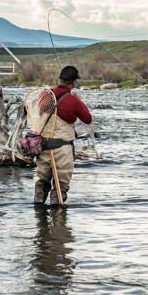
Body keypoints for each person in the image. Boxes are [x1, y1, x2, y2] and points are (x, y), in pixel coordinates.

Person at [34, 65, 92, 205]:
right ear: (73, 82)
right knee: (61, 188)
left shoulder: (45, 95)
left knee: (41, 183)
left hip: (43, 146)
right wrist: (77, 99)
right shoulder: (73, 100)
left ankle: (39, 219)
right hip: (63, 149)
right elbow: (87, 119)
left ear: (60, 79)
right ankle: (59, 222)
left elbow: (36, 114)